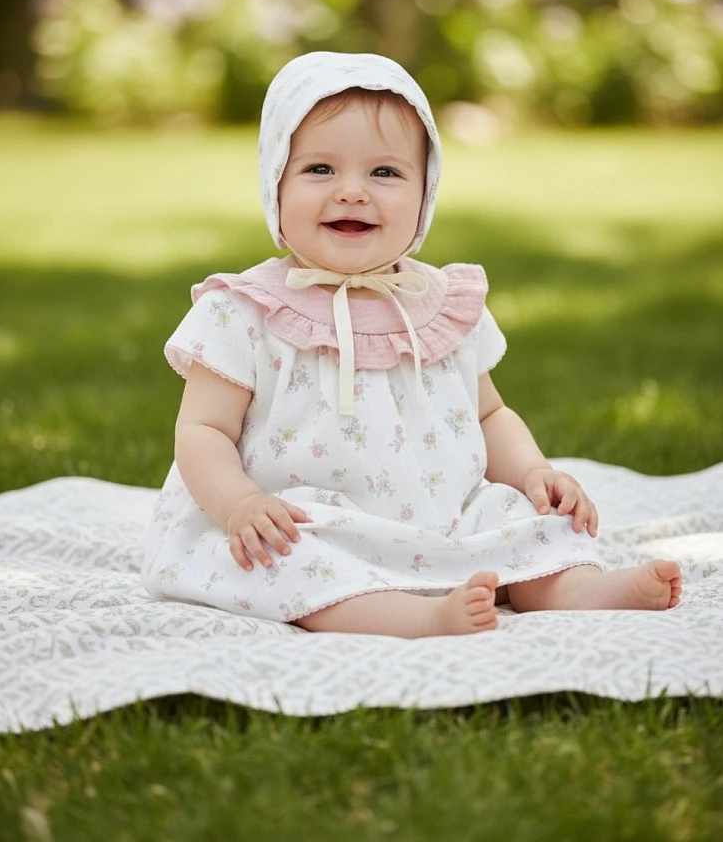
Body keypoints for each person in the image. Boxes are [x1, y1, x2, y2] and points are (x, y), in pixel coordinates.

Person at [141, 51, 682, 637]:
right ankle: (415, 618)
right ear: (275, 183)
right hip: (301, 517)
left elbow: (490, 412)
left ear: (425, 195)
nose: (352, 192)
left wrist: (532, 472)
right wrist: (238, 504)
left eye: (385, 173)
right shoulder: (244, 312)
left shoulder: (443, 306)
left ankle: (578, 588)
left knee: (517, 516)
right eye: (319, 169)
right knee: (286, 561)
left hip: (443, 517)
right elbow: (203, 431)